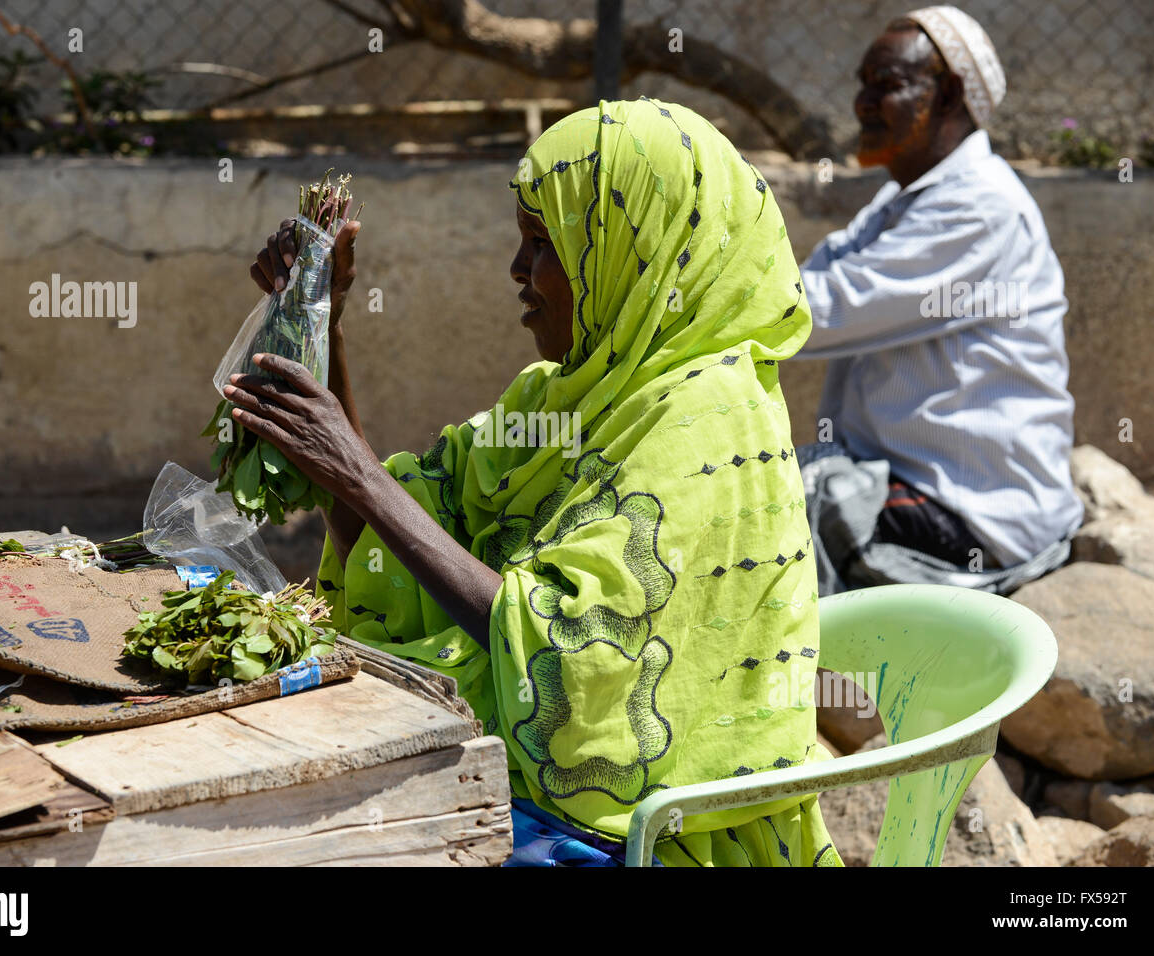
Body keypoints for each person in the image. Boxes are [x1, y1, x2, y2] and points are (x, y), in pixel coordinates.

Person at [233, 97, 842, 867]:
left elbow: (570, 656)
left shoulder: (704, 425)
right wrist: (325, 322)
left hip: (638, 838)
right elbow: (390, 541)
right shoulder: (563, 399)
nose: (518, 272)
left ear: (633, 253)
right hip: (524, 787)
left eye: (543, 245)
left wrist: (355, 473)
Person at [793, 5, 1083, 595]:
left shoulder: (981, 205)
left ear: (949, 95)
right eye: (863, 84)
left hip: (973, 510)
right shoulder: (897, 201)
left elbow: (819, 310)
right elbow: (800, 285)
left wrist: (679, 304)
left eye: (888, 85)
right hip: (903, 481)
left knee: (768, 516)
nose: (863, 103)